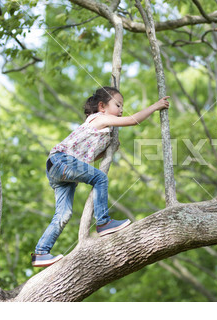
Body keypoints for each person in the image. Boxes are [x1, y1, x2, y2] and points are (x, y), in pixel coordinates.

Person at [31, 86, 170, 267]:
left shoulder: (103, 129)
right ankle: (103, 222)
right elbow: (133, 120)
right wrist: (155, 106)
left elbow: (87, 157)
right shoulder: (99, 118)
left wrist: (108, 151)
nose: (121, 110)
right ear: (102, 106)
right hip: (62, 161)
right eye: (118, 105)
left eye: (122, 107)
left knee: (63, 214)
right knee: (100, 178)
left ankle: (41, 252)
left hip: (57, 168)